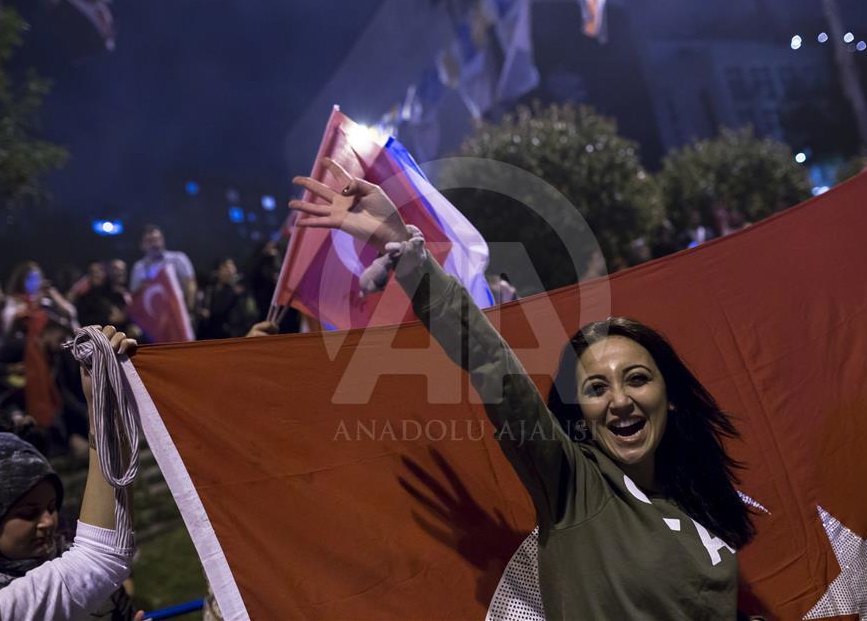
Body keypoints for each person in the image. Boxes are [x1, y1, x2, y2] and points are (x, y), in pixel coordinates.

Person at [289, 158, 755, 619]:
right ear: (581, 412)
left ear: (669, 397)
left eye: (636, 378)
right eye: (596, 388)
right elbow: (494, 366)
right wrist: (406, 251)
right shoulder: (575, 487)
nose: (619, 400)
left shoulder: (702, 502)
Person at [0, 326, 140, 620]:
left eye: (50, 507)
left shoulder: (63, 552)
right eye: (29, 512)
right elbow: (100, 558)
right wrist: (102, 404)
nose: (48, 522)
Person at [129, 225, 197, 313]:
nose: (155, 244)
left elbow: (190, 285)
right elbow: (134, 294)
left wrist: (189, 310)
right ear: (142, 245)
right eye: (150, 241)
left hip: (178, 312)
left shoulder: (178, 258)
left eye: (157, 239)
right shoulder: (138, 266)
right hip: (152, 316)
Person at [197, 258, 258, 340]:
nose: (229, 271)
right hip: (209, 335)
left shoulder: (239, 291)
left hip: (231, 335)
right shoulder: (209, 289)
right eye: (225, 267)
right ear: (217, 272)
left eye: (231, 267)